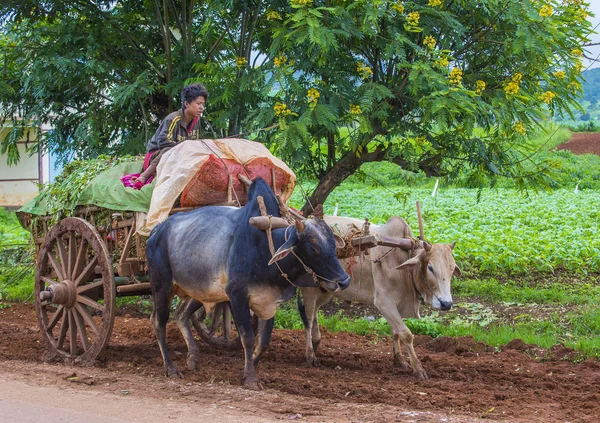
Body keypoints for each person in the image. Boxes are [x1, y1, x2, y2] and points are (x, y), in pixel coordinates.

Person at [127, 83, 208, 188]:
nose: (201, 107)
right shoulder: (173, 119)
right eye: (198, 103)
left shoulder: (196, 121)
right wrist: (184, 146)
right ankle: (144, 176)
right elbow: (163, 142)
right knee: (170, 150)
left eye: (203, 104)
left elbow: (194, 143)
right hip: (157, 155)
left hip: (179, 155)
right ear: (186, 104)